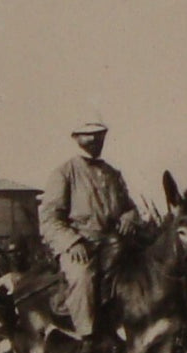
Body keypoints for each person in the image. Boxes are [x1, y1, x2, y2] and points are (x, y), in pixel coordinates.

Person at [40, 120, 141, 339]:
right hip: (81, 244)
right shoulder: (65, 173)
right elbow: (49, 218)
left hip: (114, 243)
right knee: (82, 276)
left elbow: (130, 207)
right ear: (75, 137)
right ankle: (86, 336)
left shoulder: (112, 174)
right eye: (87, 135)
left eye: (99, 134)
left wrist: (129, 217)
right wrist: (72, 242)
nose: (94, 139)